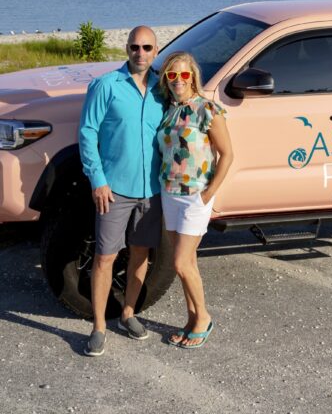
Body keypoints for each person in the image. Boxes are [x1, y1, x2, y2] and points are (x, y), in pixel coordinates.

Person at [78, 26, 165, 357]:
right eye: (134, 47)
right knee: (105, 257)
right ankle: (99, 326)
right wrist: (97, 179)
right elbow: (87, 132)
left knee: (141, 254)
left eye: (146, 47)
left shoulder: (163, 89)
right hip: (113, 190)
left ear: (155, 51)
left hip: (151, 189)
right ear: (126, 49)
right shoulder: (106, 86)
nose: (140, 53)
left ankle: (127, 314)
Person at [157, 51, 233, 349]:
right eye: (172, 75)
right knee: (187, 262)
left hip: (194, 197)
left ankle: (203, 318)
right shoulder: (168, 110)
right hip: (169, 193)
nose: (178, 80)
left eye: (184, 75)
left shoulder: (207, 110)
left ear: (193, 77)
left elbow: (227, 154)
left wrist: (209, 192)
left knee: (179, 263)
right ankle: (191, 319)